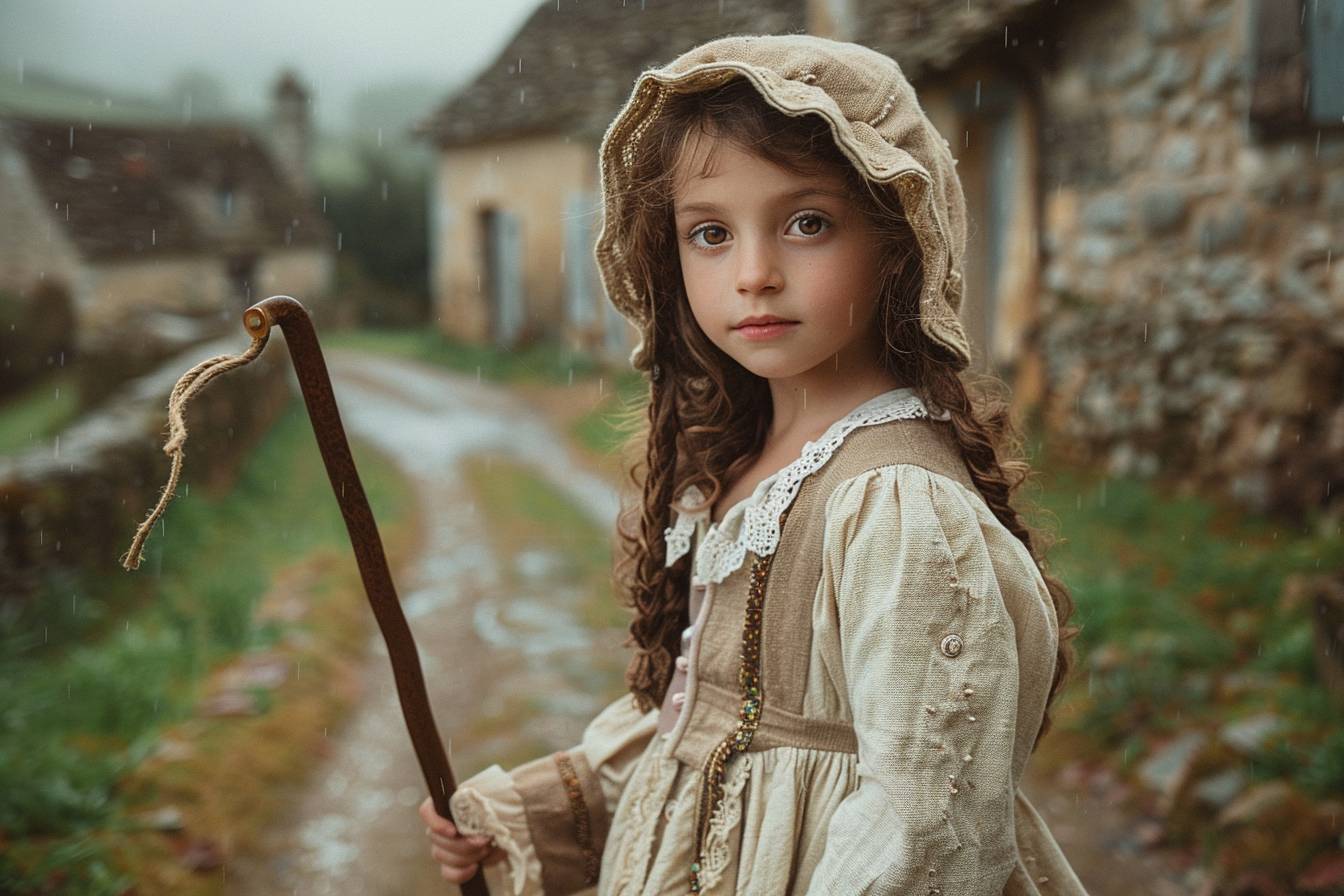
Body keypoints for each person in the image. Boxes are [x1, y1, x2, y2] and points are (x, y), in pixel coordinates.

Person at [420, 32, 1090, 895]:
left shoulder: (895, 504)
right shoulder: (745, 465)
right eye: (709, 233)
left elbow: (926, 828)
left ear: (897, 239)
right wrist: (535, 813)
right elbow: (707, 735)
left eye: (807, 223)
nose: (754, 274)